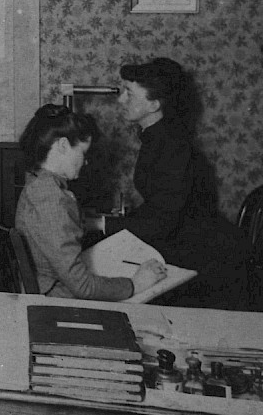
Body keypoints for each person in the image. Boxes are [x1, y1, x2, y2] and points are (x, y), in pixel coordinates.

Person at [98, 57, 251, 308]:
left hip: (208, 261)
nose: (121, 100)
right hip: (187, 243)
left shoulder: (171, 147)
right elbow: (160, 205)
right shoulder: (157, 136)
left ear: (154, 105)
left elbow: (162, 222)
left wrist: (102, 224)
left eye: (129, 93)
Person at [15, 105, 166, 300]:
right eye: (83, 153)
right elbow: (83, 286)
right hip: (58, 298)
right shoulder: (51, 199)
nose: (85, 162)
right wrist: (135, 284)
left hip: (52, 285)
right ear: (62, 146)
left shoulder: (37, 182)